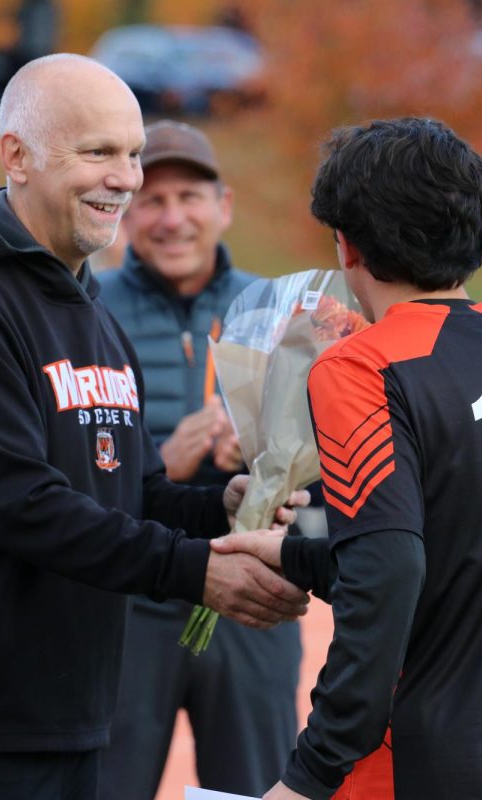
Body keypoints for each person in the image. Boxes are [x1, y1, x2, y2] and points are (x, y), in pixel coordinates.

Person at [0, 54, 309, 800]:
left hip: (69, 722)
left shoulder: (92, 313)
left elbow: (129, 491)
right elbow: (22, 505)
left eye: (131, 153)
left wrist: (221, 508)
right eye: (98, 151)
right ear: (18, 156)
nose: (127, 178)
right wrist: (198, 571)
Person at [213, 117, 482, 799]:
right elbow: (463, 550)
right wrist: (299, 554)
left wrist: (310, 773)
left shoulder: (361, 364)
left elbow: (388, 575)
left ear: (346, 243)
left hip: (429, 761)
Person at [97, 120, 301, 799]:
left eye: (190, 196)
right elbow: (57, 477)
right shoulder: (85, 309)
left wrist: (273, 462)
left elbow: (334, 466)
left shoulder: (282, 311)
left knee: (254, 789)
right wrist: (160, 461)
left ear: (225, 205)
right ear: (126, 214)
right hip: (126, 604)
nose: (173, 218)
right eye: (152, 200)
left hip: (251, 602)